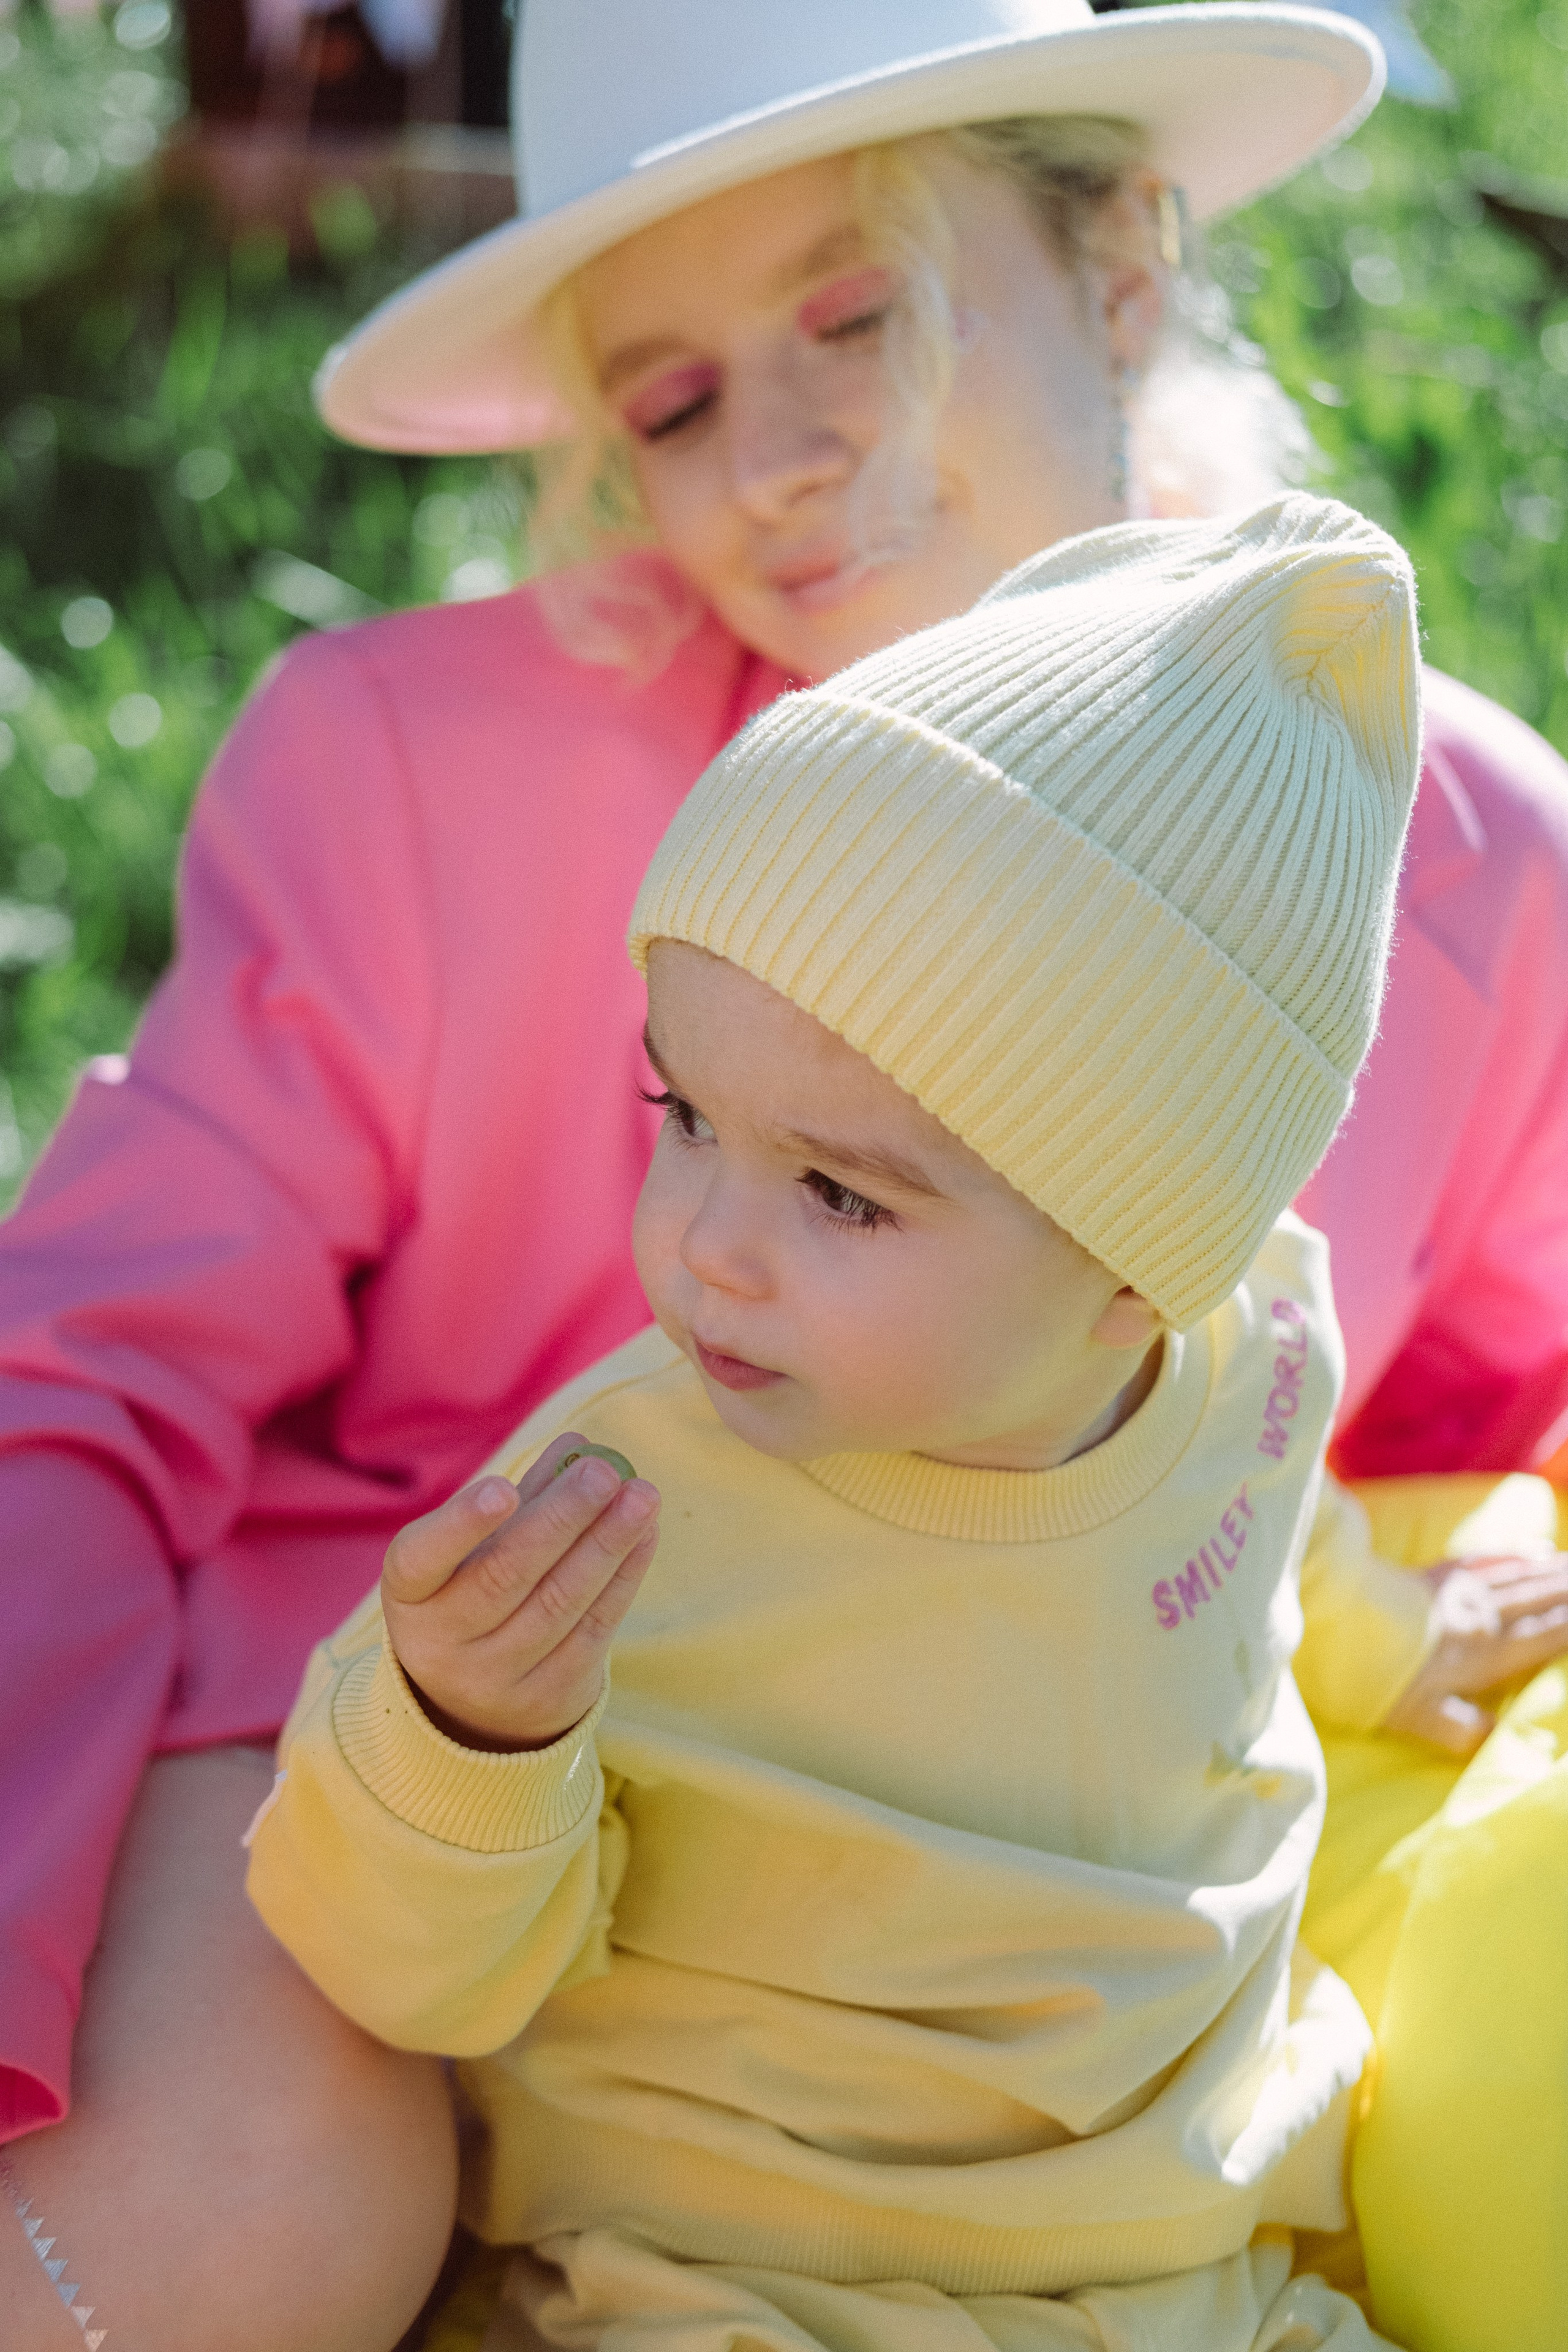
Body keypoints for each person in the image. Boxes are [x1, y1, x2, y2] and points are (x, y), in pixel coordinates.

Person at [2, 1, 1567, 2346]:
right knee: (252, 2219)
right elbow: (77, 1369)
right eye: (671, 399)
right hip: (409, 1724)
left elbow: (1463, 1387)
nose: (786, 452)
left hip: (973, 1900)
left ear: (1124, 264)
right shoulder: (411, 770)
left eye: (864, 312)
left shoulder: (1456, 856)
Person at [248, 495, 1422, 2352]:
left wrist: (1401, 1643)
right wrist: (468, 1729)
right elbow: (407, 1978)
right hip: (732, 2275)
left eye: (842, 1199)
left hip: (1182, 2244)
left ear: (1140, 1270)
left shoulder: (1256, 1333)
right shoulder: (623, 1511)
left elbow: (1285, 1523)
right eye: (687, 1116)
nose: (707, 1246)